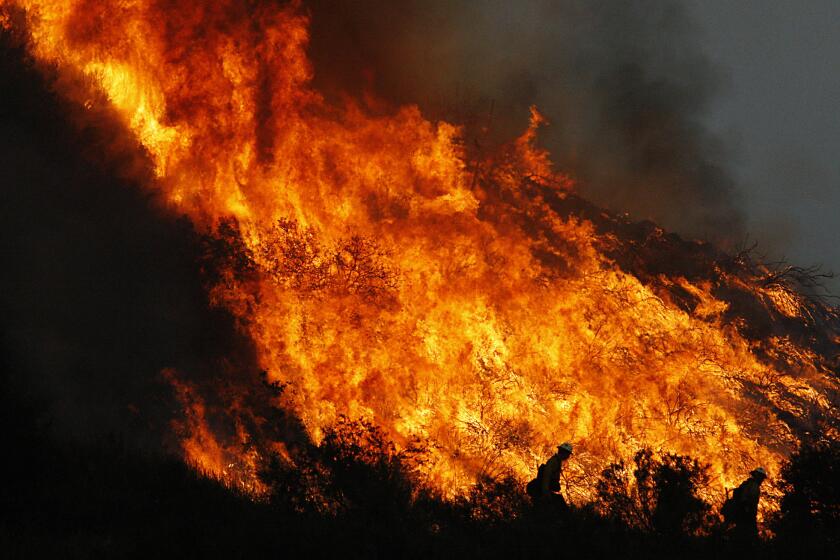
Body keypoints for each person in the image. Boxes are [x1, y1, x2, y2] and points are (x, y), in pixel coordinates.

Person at [722, 467, 767, 538]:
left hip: (740, 515)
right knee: (750, 538)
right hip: (746, 516)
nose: (762, 480)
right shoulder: (754, 486)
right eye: (761, 477)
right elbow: (747, 501)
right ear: (758, 476)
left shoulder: (746, 483)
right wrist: (748, 513)